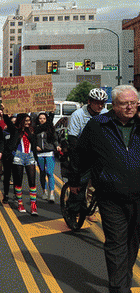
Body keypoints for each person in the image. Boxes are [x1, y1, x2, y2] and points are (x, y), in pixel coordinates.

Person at [68, 85, 140, 293]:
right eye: (124, 103)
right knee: (116, 243)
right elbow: (81, 154)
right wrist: (75, 180)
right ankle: (119, 288)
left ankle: (123, 281)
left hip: (138, 196)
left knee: (132, 242)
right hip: (111, 195)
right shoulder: (98, 125)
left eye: (133, 103)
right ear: (114, 105)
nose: (129, 107)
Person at [67, 87, 108, 222]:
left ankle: (95, 208)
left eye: (102, 103)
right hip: (81, 154)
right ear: (89, 102)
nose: (100, 106)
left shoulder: (106, 114)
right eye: (97, 102)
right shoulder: (77, 115)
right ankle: (72, 211)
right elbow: (73, 141)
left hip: (99, 156)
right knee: (79, 184)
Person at [7, 113, 38, 215]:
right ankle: (20, 203)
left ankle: (33, 206)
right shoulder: (16, 131)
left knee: (32, 182)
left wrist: (51, 113)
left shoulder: (32, 131)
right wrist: (5, 113)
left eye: (29, 120)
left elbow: (45, 125)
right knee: (18, 181)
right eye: (26, 121)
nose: (28, 123)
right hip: (18, 157)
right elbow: (8, 122)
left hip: (30, 156)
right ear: (21, 121)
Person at [34, 112, 61, 203]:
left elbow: (55, 139)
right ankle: (45, 191)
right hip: (40, 154)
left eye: (44, 118)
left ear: (46, 119)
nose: (42, 120)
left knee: (50, 172)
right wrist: (35, 147)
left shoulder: (50, 129)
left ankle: (52, 194)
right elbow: (32, 140)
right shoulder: (35, 129)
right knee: (42, 172)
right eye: (40, 118)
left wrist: (57, 146)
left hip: (49, 152)